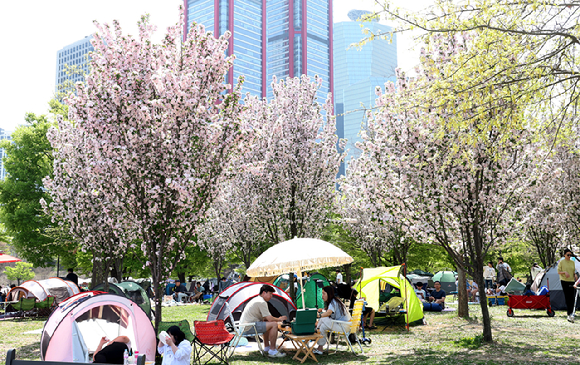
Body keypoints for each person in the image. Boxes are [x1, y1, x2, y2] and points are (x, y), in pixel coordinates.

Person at [238, 284, 287, 358]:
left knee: (267, 323)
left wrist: (275, 320)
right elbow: (270, 318)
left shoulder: (257, 299)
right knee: (273, 325)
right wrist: (279, 319)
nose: (271, 296)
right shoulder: (261, 302)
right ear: (264, 293)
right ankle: (272, 350)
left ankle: (267, 347)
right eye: (270, 294)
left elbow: (266, 319)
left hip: (244, 327)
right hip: (248, 328)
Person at [314, 286, 351, 355]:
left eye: (324, 293)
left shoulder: (333, 302)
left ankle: (315, 329)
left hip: (343, 326)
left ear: (329, 293)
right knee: (323, 327)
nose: (322, 296)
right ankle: (320, 349)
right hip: (343, 325)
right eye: (322, 293)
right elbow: (329, 311)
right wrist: (322, 311)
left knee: (323, 319)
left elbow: (329, 313)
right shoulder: (335, 301)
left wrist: (319, 315)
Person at [557, 248, 577, 322]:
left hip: (571, 280)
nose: (569, 256)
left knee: (572, 296)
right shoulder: (561, 262)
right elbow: (558, 272)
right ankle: (569, 312)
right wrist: (565, 272)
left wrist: (575, 274)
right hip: (564, 281)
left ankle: (572, 312)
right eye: (568, 255)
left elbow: (573, 270)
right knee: (567, 296)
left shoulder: (572, 262)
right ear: (564, 255)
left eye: (570, 255)